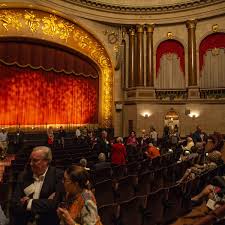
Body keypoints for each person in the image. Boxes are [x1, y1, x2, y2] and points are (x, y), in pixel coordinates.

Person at [11, 146, 64, 225]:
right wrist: (46, 202)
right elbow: (15, 203)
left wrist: (28, 202)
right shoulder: (23, 176)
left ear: (47, 161)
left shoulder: (58, 176)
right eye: (31, 160)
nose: (31, 163)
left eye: (35, 160)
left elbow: (54, 204)